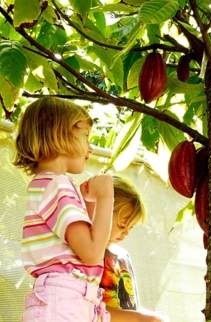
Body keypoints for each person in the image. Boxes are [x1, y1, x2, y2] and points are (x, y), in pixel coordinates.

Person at [12, 96, 113, 321]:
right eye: (86, 136)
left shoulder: (46, 184)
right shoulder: (58, 184)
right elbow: (91, 253)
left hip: (68, 299)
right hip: (65, 300)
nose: (91, 147)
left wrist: (90, 204)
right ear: (60, 135)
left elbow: (77, 245)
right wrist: (107, 196)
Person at [100, 175, 165, 322]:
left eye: (131, 227)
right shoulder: (91, 255)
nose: (127, 232)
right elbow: (93, 311)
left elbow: (127, 307)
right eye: (122, 225)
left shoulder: (122, 255)